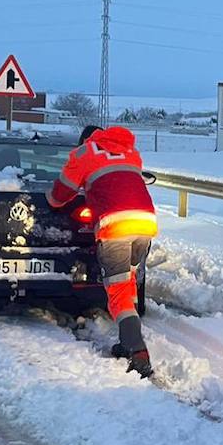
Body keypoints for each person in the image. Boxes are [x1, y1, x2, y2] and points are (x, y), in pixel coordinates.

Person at [47, 123, 159, 378]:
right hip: (145, 223)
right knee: (127, 281)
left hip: (116, 225)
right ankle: (126, 339)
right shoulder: (131, 152)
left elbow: (59, 195)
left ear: (85, 140)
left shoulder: (83, 153)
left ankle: (137, 351)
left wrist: (53, 198)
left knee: (118, 289)